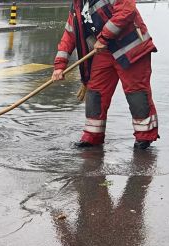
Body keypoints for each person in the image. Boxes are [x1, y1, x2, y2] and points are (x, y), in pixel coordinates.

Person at [51, 0, 159, 149]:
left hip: (131, 48)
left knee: (137, 93)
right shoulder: (77, 4)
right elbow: (70, 33)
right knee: (95, 92)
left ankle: (145, 136)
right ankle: (92, 136)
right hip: (104, 51)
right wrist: (59, 65)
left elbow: (127, 10)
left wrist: (104, 37)